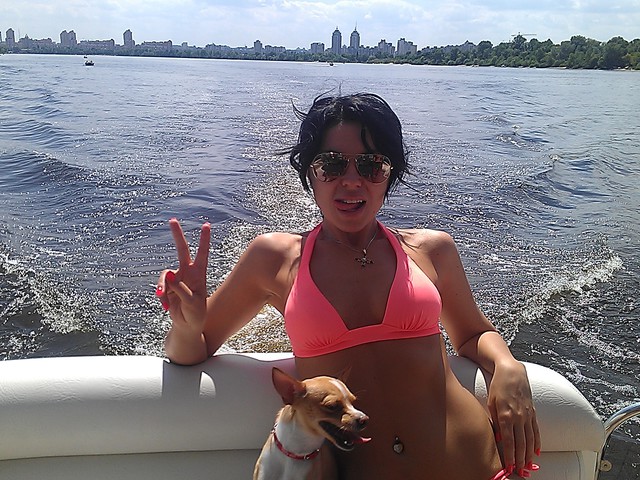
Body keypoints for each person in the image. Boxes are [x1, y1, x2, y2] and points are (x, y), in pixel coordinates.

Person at [156, 93, 541, 479]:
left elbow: (473, 334)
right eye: (332, 164)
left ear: (390, 174)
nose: (352, 180)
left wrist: (507, 366)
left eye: (372, 165)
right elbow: (191, 350)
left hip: (477, 468)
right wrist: (187, 326)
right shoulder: (272, 258)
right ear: (310, 173)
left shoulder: (432, 249)